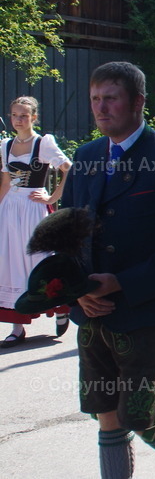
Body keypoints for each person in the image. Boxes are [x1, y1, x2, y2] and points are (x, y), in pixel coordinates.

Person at [61, 62, 155, 478]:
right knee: (105, 412)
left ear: (138, 101)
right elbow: (66, 232)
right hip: (91, 308)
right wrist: (77, 289)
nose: (100, 108)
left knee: (140, 415)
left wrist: (121, 283)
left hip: (146, 306)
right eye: (95, 99)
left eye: (110, 98)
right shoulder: (87, 156)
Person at [0, 96, 72, 346]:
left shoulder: (43, 143)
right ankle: (16, 326)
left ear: (34, 118)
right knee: (10, 262)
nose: (18, 120)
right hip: (10, 209)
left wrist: (52, 196)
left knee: (40, 260)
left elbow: (69, 169)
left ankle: (60, 306)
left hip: (33, 209)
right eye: (14, 115)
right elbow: (6, 183)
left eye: (23, 115)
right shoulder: (5, 145)